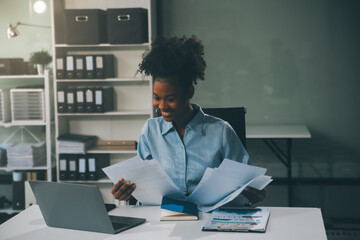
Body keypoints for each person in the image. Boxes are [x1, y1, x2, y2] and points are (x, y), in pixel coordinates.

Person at [111, 35, 266, 205]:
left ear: (188, 93)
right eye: (157, 97)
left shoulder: (221, 131)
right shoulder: (150, 130)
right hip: (163, 219)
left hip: (209, 217)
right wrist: (127, 192)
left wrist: (253, 193)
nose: (162, 106)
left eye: (170, 98)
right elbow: (141, 183)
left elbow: (246, 183)